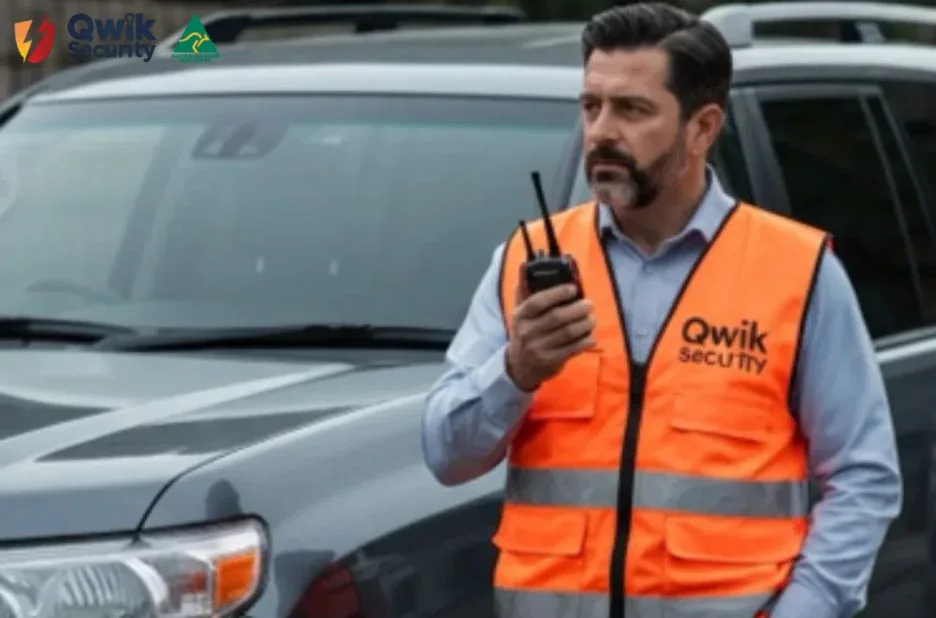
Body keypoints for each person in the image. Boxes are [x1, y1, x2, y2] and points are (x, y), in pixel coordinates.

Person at [421, 3, 902, 618]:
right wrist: (515, 372)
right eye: (591, 106)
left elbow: (863, 476)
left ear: (702, 128)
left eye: (632, 110)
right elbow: (446, 457)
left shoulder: (798, 271)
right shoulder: (525, 260)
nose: (601, 132)